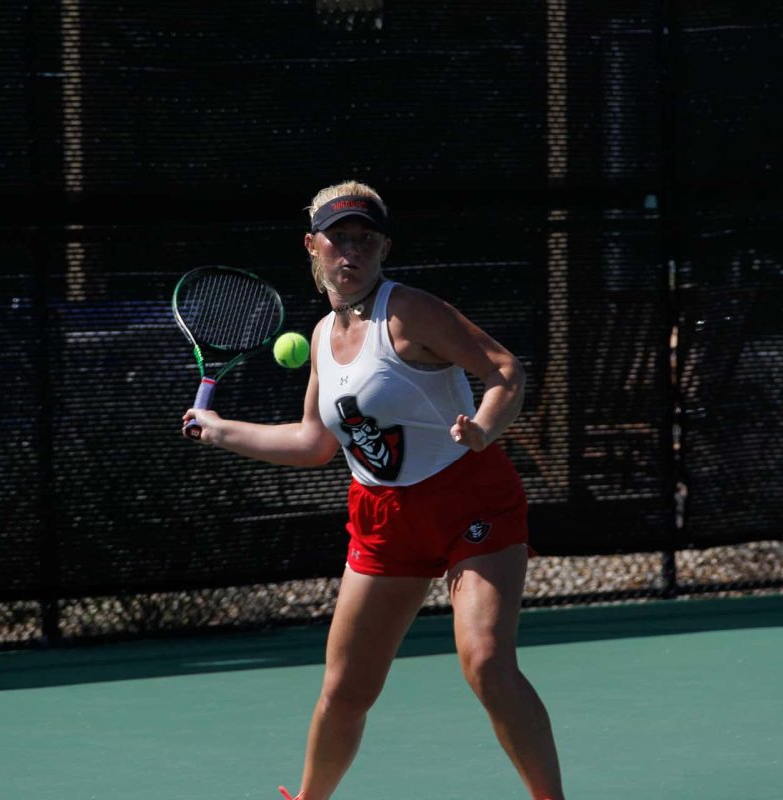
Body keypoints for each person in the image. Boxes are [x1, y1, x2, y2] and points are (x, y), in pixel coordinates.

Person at [182, 180, 565, 800]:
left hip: (469, 495)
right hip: (384, 518)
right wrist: (223, 431)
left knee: (487, 663)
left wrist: (485, 429)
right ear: (314, 246)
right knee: (345, 690)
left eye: (366, 240)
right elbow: (314, 443)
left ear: (384, 248)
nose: (351, 252)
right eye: (339, 239)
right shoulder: (321, 341)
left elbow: (505, 371)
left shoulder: (409, 311)